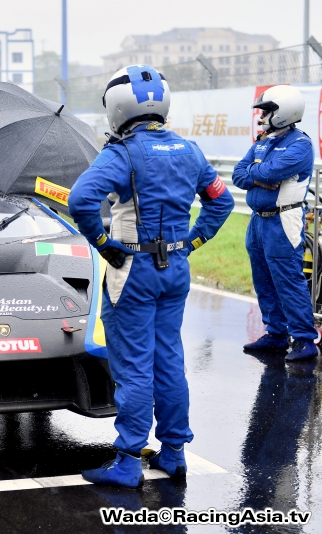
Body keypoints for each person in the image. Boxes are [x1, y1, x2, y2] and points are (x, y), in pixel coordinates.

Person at [68, 65, 234, 488]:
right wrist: (194, 241)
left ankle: (128, 460)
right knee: (170, 360)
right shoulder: (189, 150)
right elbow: (222, 201)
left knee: (134, 366)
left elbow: (81, 199)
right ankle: (174, 452)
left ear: (116, 107)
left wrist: (103, 243)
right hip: (175, 268)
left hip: (133, 268)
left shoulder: (122, 152)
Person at [232, 85, 318, 361]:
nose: (262, 116)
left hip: (284, 219)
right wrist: (259, 177)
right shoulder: (262, 141)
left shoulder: (300, 145)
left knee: (288, 279)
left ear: (284, 112)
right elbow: (238, 174)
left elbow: (271, 172)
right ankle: (276, 334)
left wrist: (256, 175)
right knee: (264, 280)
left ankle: (304, 339)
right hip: (258, 221)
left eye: (267, 111)